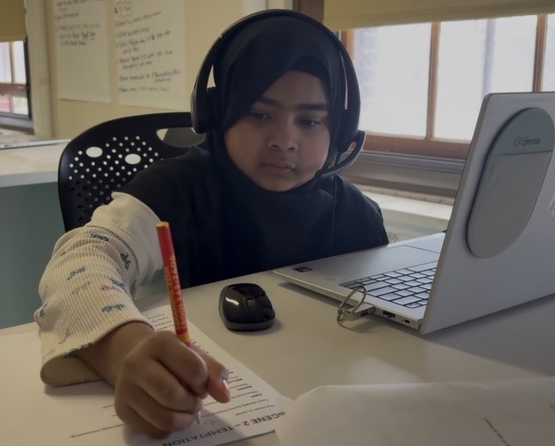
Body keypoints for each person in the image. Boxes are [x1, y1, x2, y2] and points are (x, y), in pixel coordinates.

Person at [35, 9, 389, 438]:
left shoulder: (355, 213)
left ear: (341, 129)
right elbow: (84, 256)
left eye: (311, 121)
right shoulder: (172, 191)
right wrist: (125, 346)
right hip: (206, 410)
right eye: (260, 114)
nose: (285, 139)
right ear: (218, 112)